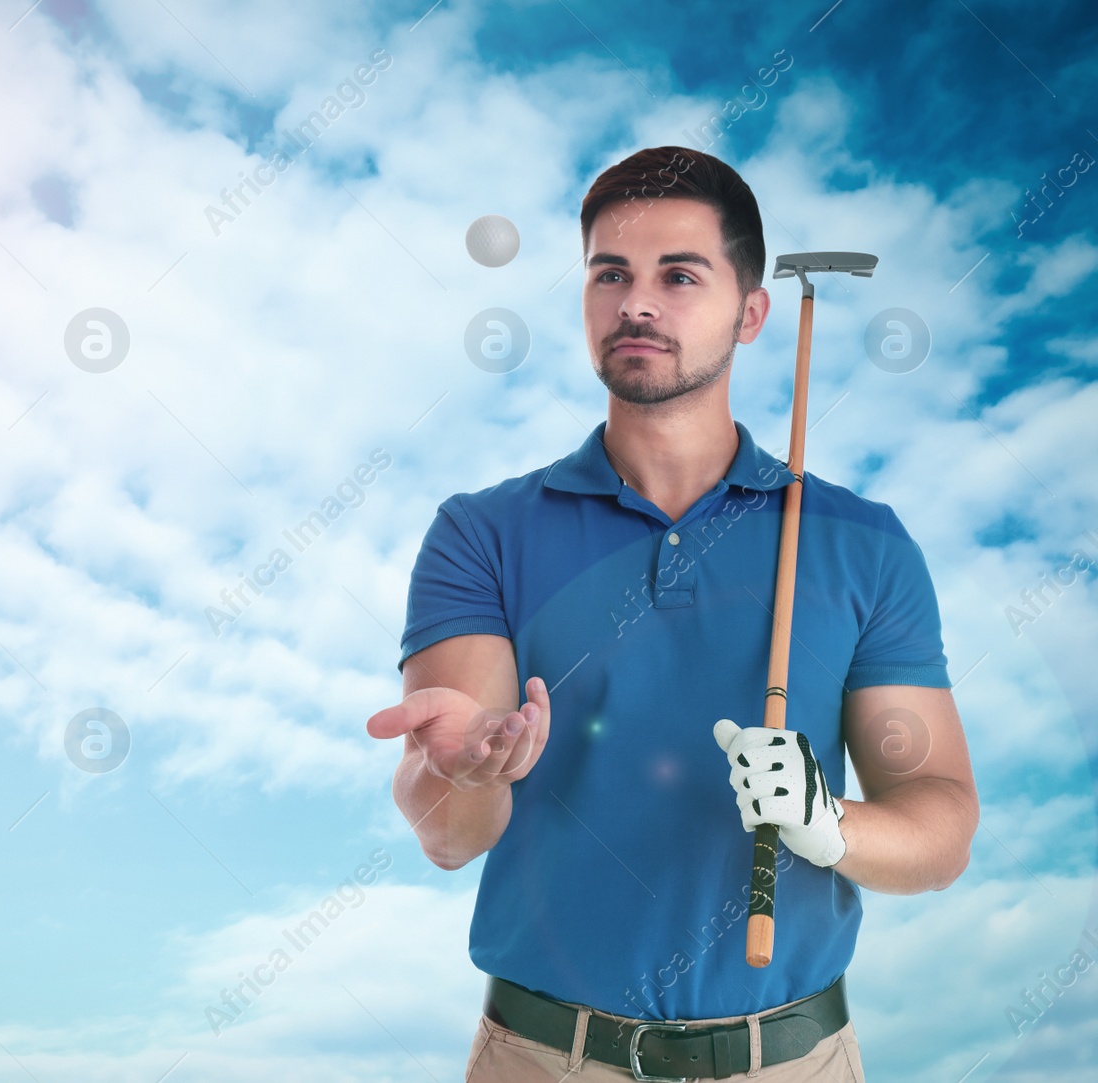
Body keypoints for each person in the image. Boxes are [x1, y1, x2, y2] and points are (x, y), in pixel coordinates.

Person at [366, 146, 978, 1082]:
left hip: (796, 1060)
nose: (635, 303)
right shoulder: (481, 533)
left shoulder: (865, 543)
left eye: (678, 276)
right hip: (542, 1058)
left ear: (753, 311)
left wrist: (830, 824)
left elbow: (940, 828)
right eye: (610, 275)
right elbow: (448, 830)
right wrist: (468, 773)